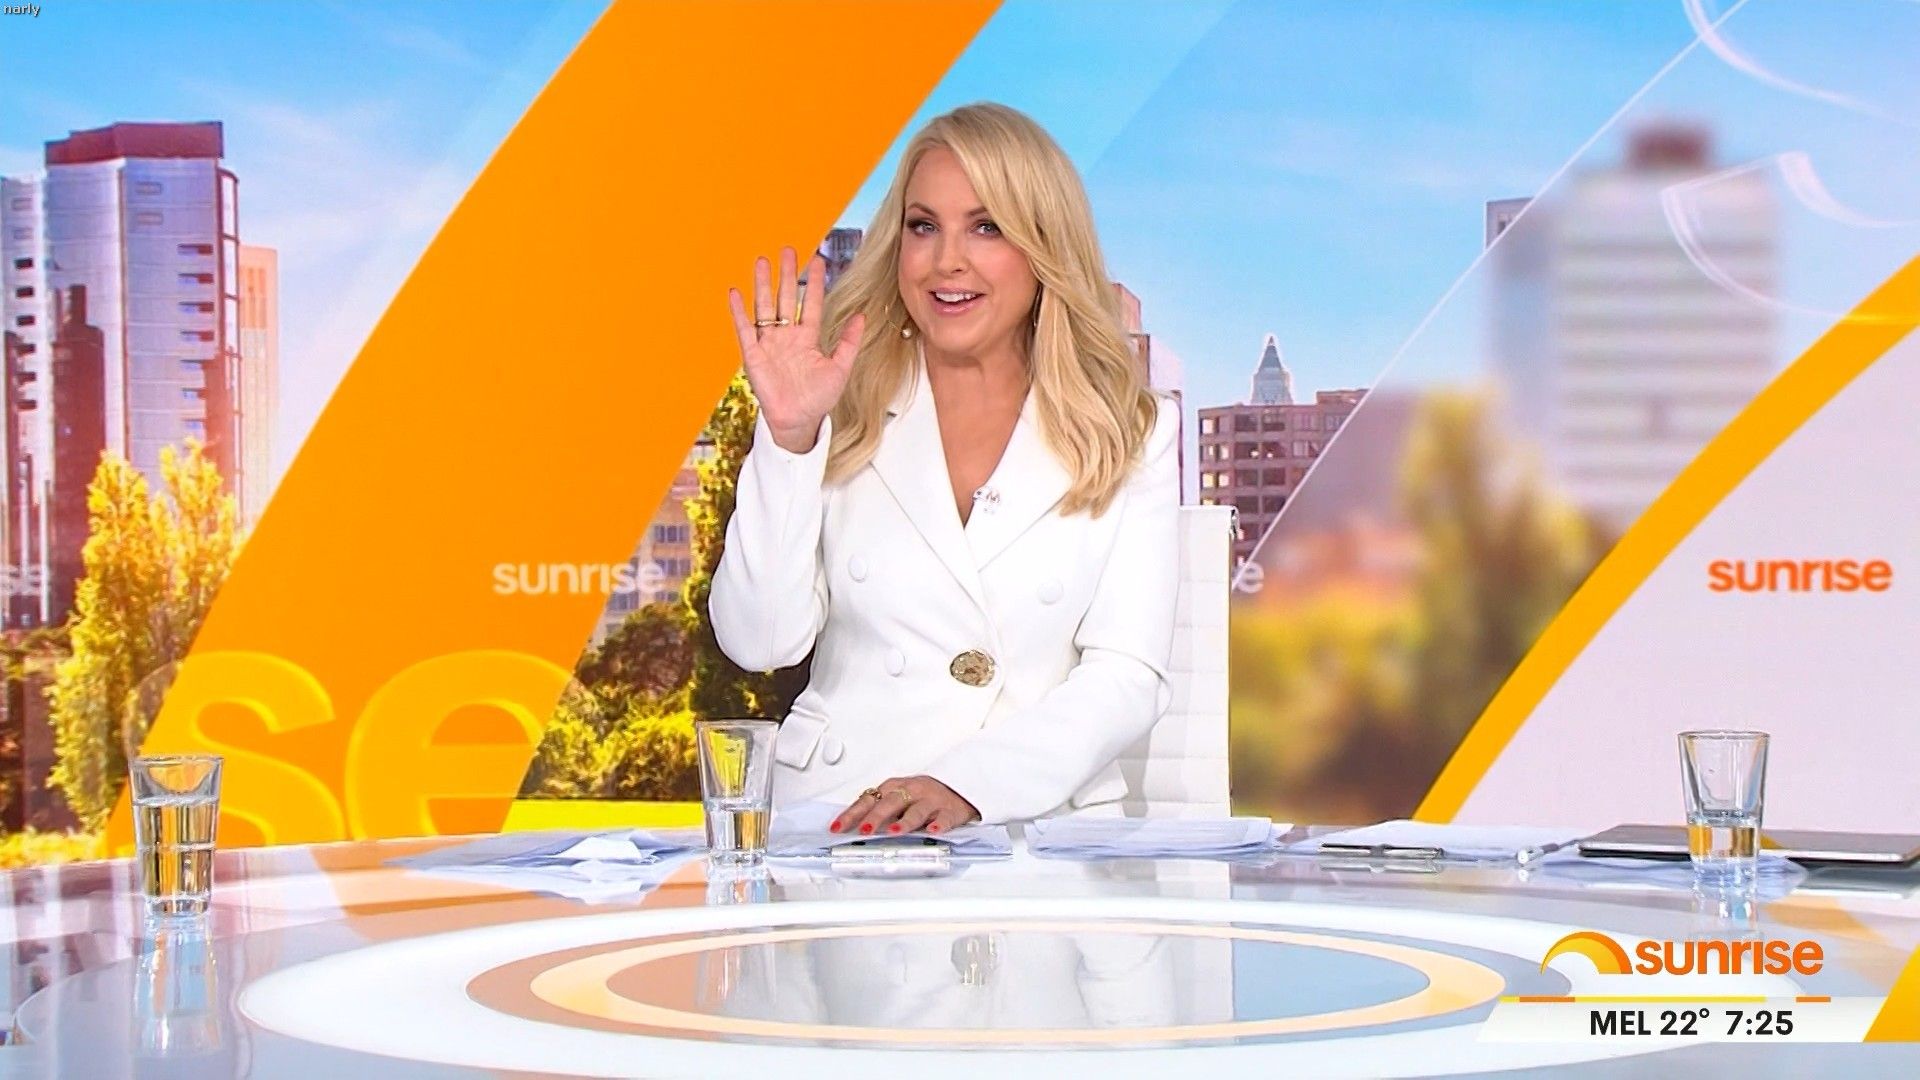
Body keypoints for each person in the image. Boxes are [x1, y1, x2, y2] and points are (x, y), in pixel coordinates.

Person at [711, 102, 1178, 835]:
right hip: (842, 820)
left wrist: (966, 785)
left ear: (1044, 247)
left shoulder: (1131, 430)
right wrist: (791, 438)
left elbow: (1127, 676)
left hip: (1032, 829)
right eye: (923, 226)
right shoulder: (838, 402)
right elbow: (760, 644)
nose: (946, 261)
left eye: (986, 227)